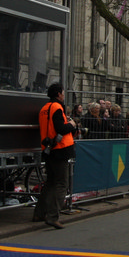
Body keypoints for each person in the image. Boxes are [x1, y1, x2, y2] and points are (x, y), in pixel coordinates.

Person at [34, 83, 77, 229]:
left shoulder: (44, 108)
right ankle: (53, 216)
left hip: (48, 149)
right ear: (59, 94)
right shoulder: (57, 108)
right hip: (60, 149)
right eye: (63, 93)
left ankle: (39, 213)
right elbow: (61, 128)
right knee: (61, 184)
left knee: (50, 182)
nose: (64, 95)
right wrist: (72, 125)